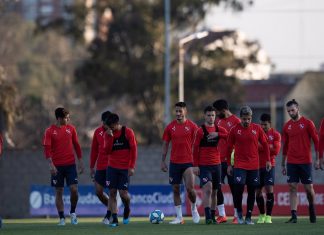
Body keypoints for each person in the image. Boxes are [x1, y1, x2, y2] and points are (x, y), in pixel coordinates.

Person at [226, 106, 271, 225]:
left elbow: (265, 144)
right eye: (244, 119)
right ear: (240, 118)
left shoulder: (257, 128)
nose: (246, 121)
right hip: (239, 165)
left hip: (253, 166)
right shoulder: (234, 129)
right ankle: (239, 214)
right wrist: (229, 165)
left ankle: (248, 217)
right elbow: (229, 147)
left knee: (252, 191)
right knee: (239, 188)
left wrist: (268, 160)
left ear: (251, 118)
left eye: (249, 119)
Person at [43, 107, 84, 226]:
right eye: (66, 118)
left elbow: (76, 145)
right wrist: (51, 165)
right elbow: (47, 149)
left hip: (70, 165)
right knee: (59, 191)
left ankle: (72, 213)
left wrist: (80, 161)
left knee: (74, 190)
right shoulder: (49, 131)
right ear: (59, 118)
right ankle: (61, 218)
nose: (68, 119)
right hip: (57, 167)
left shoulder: (71, 129)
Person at [161, 102, 200, 224]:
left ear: (185, 111)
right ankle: (179, 217)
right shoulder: (169, 127)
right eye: (176, 111)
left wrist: (198, 162)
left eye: (180, 111)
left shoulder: (193, 127)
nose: (178, 113)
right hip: (174, 163)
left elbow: (199, 144)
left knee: (190, 189)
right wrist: (163, 161)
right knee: (176, 189)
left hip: (189, 162)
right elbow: (165, 144)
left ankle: (194, 209)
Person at [281, 99, 320, 223]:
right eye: (288, 111)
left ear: (298, 108)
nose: (291, 113)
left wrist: (318, 159)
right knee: (292, 187)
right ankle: (294, 215)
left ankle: (312, 209)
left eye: (292, 110)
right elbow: (285, 146)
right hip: (291, 161)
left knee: (308, 189)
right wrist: (283, 163)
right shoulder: (287, 126)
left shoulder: (308, 123)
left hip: (305, 161)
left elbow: (317, 141)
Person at [192, 106, 228, 224]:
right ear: (204, 116)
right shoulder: (200, 131)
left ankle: (212, 216)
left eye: (213, 115)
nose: (211, 117)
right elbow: (195, 149)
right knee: (207, 188)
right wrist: (196, 165)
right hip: (204, 165)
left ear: (215, 116)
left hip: (217, 165)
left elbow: (228, 136)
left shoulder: (219, 129)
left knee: (215, 191)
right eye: (208, 115)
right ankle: (207, 217)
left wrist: (218, 134)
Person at [103, 113, 137, 227]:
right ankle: (115, 219)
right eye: (108, 126)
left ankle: (127, 208)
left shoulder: (128, 132)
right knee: (112, 193)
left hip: (124, 169)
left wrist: (131, 166)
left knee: (123, 194)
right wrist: (110, 137)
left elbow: (134, 150)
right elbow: (107, 151)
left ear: (117, 123)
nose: (110, 128)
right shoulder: (107, 134)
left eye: (111, 126)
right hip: (111, 168)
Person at [212, 99, 241, 224]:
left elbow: (237, 139)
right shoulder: (217, 121)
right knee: (216, 187)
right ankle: (222, 215)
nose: (216, 114)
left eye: (217, 112)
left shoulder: (237, 121)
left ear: (223, 110)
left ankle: (236, 215)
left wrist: (219, 135)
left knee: (234, 189)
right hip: (218, 160)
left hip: (232, 161)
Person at [256, 113, 281, 224]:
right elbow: (254, 147)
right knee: (257, 192)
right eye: (261, 124)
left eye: (265, 125)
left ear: (270, 123)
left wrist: (263, 146)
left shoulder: (276, 134)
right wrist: (268, 146)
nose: (263, 127)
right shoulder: (256, 133)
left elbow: (276, 151)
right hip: (256, 166)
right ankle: (262, 215)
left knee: (269, 190)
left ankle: (269, 216)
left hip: (269, 165)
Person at [90, 110, 111, 224]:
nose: (106, 124)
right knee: (98, 192)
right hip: (100, 167)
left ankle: (109, 216)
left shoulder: (115, 132)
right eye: (104, 122)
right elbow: (94, 150)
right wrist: (92, 166)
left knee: (112, 192)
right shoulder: (97, 132)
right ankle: (113, 210)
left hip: (112, 166)